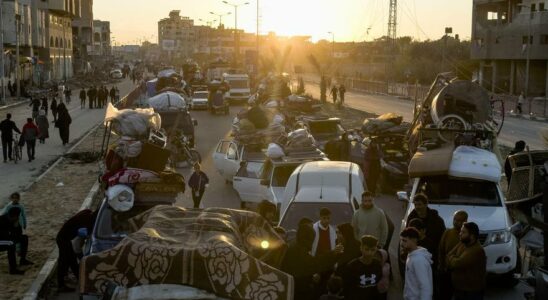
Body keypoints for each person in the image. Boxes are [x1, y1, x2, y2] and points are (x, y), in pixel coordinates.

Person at [281, 223, 342, 300]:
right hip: (297, 290)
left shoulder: (296, 246)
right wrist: (332, 254)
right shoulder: (299, 249)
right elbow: (313, 263)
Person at [56, 209, 97, 292]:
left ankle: (79, 279)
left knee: (70, 260)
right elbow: (89, 233)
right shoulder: (89, 220)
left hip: (64, 238)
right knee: (65, 262)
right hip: (63, 239)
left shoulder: (87, 212)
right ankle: (61, 285)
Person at [446, 222, 486, 300]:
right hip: (460, 290)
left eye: (463, 232)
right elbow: (449, 254)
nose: (460, 234)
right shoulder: (463, 243)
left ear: (472, 236)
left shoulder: (476, 250)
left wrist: (451, 258)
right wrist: (452, 257)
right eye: (461, 231)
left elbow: (456, 263)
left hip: (471, 293)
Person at [406, 193, 446, 267]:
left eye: (420, 204)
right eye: (416, 205)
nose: (417, 207)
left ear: (426, 204)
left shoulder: (436, 219)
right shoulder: (411, 218)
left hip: (432, 254)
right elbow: (407, 236)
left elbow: (442, 238)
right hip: (416, 254)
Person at [341, 235, 383, 300]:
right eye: (367, 249)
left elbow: (378, 284)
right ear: (361, 248)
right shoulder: (352, 266)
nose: (369, 253)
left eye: (372, 250)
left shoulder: (377, 265)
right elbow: (347, 289)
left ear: (376, 250)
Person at [438, 210, 468, 300]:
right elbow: (441, 250)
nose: (456, 222)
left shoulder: (468, 236)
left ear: (465, 221)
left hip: (460, 273)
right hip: (447, 271)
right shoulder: (448, 232)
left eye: (459, 220)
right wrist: (441, 266)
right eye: (455, 219)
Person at [400, 227, 433, 300]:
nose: (401, 244)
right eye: (401, 240)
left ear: (414, 240)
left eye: (404, 241)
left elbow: (425, 287)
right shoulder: (411, 255)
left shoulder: (419, 260)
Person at [0, 207, 33, 275]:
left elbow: (18, 234)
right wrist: (12, 235)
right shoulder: (2, 220)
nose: (17, 218)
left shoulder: (14, 220)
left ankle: (22, 260)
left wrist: (17, 225)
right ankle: (13, 269)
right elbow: (4, 236)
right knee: (11, 244)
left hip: (6, 238)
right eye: (16, 217)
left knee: (24, 238)